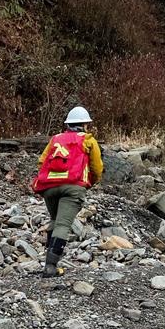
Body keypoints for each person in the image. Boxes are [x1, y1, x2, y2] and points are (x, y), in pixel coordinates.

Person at [33, 106, 103, 277]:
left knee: (55, 220)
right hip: (73, 188)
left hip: (49, 188)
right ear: (85, 124)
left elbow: (42, 162)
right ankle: (50, 267)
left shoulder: (55, 139)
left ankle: (48, 263)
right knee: (63, 225)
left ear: (68, 124)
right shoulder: (87, 139)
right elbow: (97, 167)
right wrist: (89, 183)